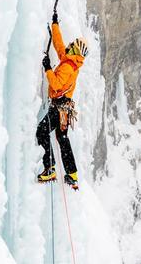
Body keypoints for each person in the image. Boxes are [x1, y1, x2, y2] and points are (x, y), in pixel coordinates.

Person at [36, 12, 88, 189]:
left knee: (42, 131)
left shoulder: (67, 66)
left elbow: (56, 85)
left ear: (76, 50)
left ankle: (49, 167)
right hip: (64, 109)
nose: (71, 45)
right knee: (62, 138)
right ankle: (72, 174)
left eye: (73, 45)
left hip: (58, 108)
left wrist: (48, 68)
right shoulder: (70, 61)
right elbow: (59, 46)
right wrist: (55, 24)